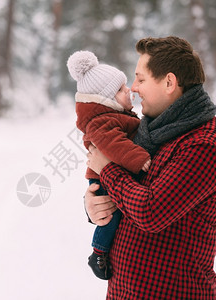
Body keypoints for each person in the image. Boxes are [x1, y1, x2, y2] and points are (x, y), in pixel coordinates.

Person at [84, 36, 216, 299]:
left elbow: (150, 211)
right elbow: (126, 192)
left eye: (141, 79)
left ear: (169, 83)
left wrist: (107, 169)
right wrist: (95, 204)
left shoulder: (203, 145)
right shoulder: (151, 130)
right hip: (124, 292)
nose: (133, 88)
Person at [67, 50, 152, 280]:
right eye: (121, 90)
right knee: (109, 217)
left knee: (111, 213)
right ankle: (98, 251)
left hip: (109, 174)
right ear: (105, 99)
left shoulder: (116, 115)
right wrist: (139, 159)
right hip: (102, 178)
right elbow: (114, 145)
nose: (129, 91)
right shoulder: (101, 122)